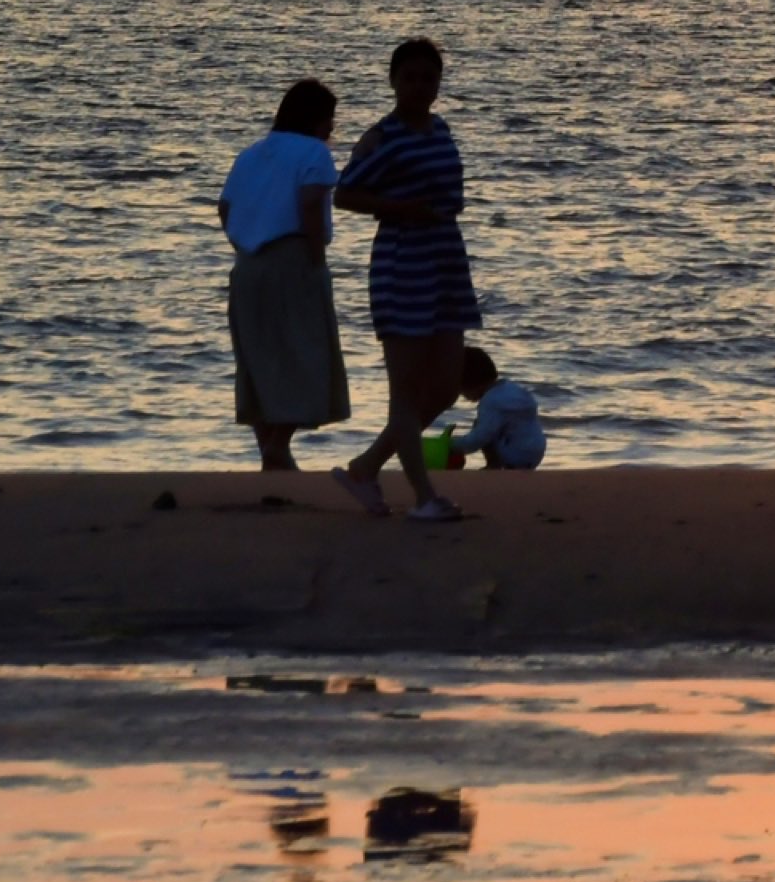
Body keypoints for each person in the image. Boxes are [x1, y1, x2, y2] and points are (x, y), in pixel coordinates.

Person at [332, 38, 481, 522]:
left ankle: (365, 468)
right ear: (393, 80)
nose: (420, 86)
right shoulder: (384, 137)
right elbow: (345, 193)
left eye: (429, 77)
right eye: (410, 77)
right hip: (402, 263)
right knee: (405, 389)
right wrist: (400, 210)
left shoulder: (440, 129)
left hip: (445, 261)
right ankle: (423, 497)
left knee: (442, 387)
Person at [215, 79, 351, 468]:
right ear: (316, 118)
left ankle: (273, 453)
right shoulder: (314, 152)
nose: (332, 128)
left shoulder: (251, 154)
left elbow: (225, 209)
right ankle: (278, 445)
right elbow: (310, 202)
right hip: (293, 257)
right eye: (330, 118)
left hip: (247, 265)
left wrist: (244, 242)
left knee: (258, 357)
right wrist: (316, 259)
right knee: (305, 350)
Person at [450, 344, 546, 470]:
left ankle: (493, 466)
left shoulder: (491, 401)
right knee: (496, 425)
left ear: (469, 383)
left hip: (515, 455)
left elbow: (476, 440)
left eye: (460, 389)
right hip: (536, 451)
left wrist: (450, 445)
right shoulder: (513, 389)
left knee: (482, 425)